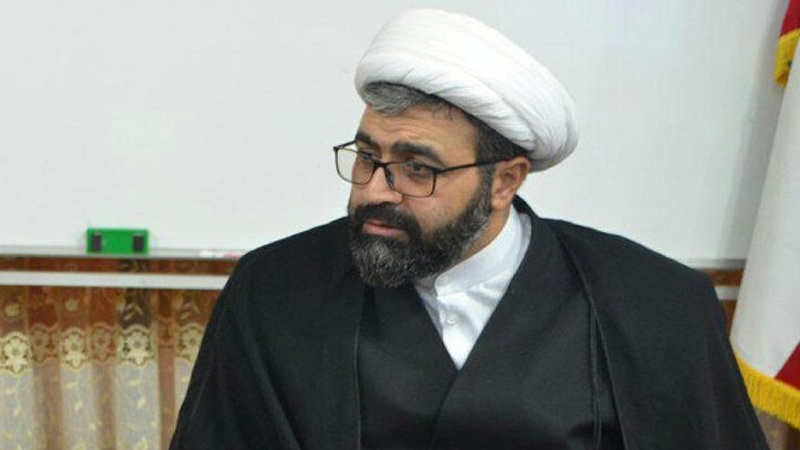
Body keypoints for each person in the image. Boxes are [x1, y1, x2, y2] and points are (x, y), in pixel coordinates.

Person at [170, 8, 768, 450]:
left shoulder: (656, 305)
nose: (375, 190)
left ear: (505, 181)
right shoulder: (274, 290)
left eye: (418, 168)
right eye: (366, 156)